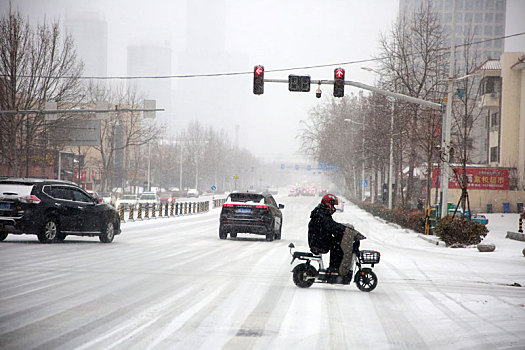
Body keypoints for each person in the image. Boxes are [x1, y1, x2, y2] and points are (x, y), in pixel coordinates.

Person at [308, 193, 356, 278]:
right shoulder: (321, 213)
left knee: (337, 242)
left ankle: (334, 268)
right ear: (327, 203)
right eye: (333, 204)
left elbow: (331, 224)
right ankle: (333, 269)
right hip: (318, 241)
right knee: (337, 246)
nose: (333, 207)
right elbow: (331, 226)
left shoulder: (322, 211)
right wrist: (343, 229)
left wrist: (343, 227)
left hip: (320, 238)